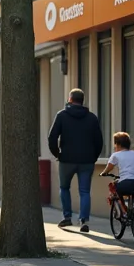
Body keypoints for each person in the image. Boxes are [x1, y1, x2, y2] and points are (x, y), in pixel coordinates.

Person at [47, 88, 103, 232]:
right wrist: (93, 157)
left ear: (70, 99)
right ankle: (83, 220)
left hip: (66, 159)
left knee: (64, 187)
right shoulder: (92, 118)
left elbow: (52, 137)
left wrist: (57, 154)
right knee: (84, 191)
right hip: (86, 161)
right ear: (82, 100)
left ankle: (67, 217)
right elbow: (99, 141)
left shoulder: (62, 115)